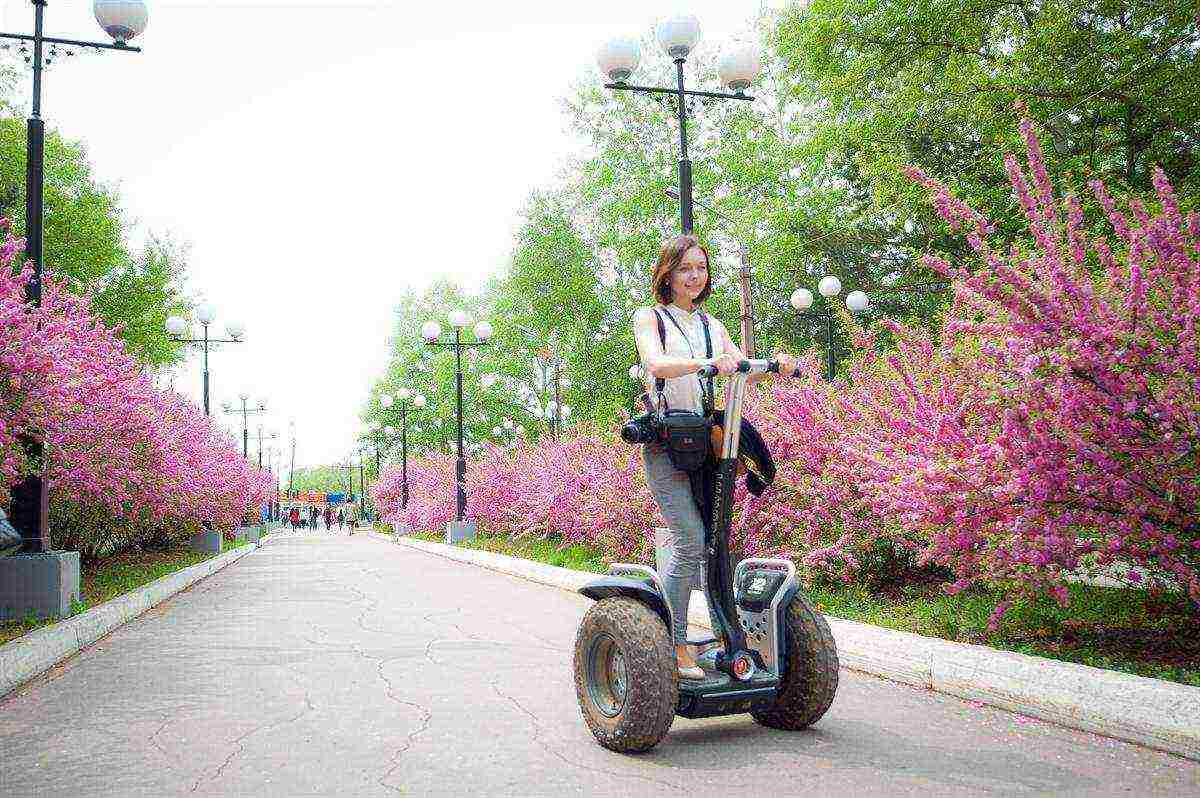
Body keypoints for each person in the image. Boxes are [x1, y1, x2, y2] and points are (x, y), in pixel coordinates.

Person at [632, 233, 796, 680]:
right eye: (685, 268)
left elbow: (741, 365)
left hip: (707, 443)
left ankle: (729, 637)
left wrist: (773, 365)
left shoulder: (712, 325)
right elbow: (656, 364)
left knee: (714, 543)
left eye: (701, 268)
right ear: (668, 273)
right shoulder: (652, 318)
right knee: (688, 540)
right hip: (667, 444)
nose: (694, 276)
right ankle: (674, 642)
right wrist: (706, 363)